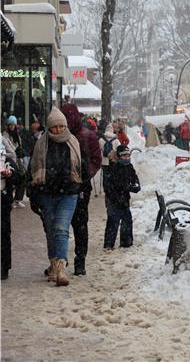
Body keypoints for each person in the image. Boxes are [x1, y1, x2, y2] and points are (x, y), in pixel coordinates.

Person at [28, 108, 85, 287]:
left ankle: (61, 268)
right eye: (55, 127)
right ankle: (53, 265)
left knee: (61, 229)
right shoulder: (41, 145)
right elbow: (32, 170)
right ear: (49, 127)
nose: (59, 130)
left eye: (62, 126)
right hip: (47, 194)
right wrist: (34, 195)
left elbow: (82, 167)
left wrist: (81, 186)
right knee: (51, 230)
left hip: (68, 193)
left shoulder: (73, 142)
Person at [61, 104, 102, 277]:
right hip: (61, 187)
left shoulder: (87, 136)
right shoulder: (58, 135)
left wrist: (85, 174)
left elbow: (96, 159)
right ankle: (60, 260)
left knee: (78, 226)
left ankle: (80, 261)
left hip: (80, 188)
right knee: (61, 227)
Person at [103, 145, 141, 249]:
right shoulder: (112, 168)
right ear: (119, 156)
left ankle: (126, 243)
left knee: (127, 221)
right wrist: (122, 189)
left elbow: (135, 180)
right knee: (113, 222)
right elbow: (109, 186)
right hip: (113, 200)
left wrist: (135, 186)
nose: (126, 158)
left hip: (124, 199)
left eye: (128, 155)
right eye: (124, 156)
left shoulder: (129, 167)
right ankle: (108, 245)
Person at [1, 134, 24, 280]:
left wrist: (10, 174)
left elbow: (21, 178)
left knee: (3, 233)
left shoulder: (7, 160)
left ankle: (4, 267)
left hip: (2, 199)